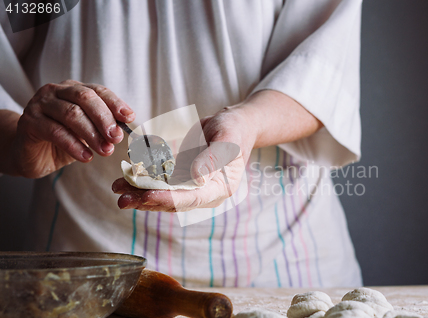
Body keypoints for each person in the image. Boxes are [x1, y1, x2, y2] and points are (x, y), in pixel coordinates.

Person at [0, 0, 363, 287]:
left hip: (281, 263)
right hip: (89, 267)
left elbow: (323, 69)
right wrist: (18, 139)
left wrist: (246, 124)